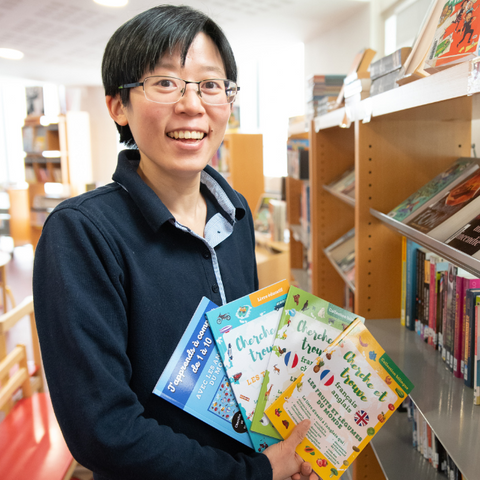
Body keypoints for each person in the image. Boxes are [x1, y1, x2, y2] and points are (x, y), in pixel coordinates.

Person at [33, 5, 319, 480]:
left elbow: (247, 358)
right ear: (118, 105)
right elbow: (103, 430)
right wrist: (257, 473)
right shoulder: (81, 234)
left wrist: (284, 443)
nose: (192, 105)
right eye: (165, 83)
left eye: (211, 85)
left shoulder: (237, 212)